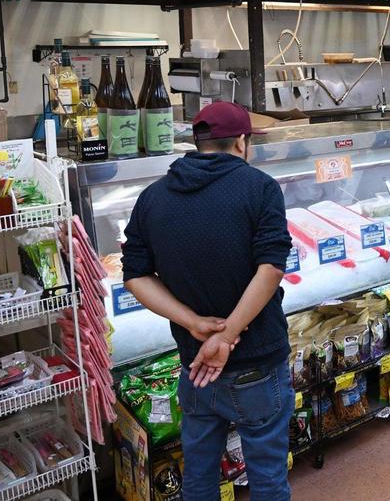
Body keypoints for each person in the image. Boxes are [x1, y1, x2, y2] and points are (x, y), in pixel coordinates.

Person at [121, 102, 294, 501]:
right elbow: (270, 269)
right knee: (267, 477)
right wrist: (227, 334)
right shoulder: (260, 187)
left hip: (195, 364)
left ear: (198, 143)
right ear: (243, 142)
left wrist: (196, 325)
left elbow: (135, 275)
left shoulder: (153, 196)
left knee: (198, 479)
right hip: (257, 364)